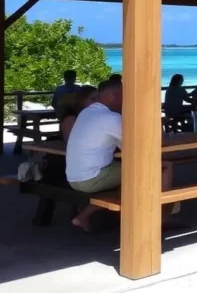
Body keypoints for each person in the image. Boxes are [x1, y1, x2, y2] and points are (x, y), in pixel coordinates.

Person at [66, 79, 175, 232]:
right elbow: (139, 146)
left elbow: (125, 146)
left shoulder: (87, 112)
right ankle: (161, 217)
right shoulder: (111, 118)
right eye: (125, 96)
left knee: (129, 178)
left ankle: (85, 215)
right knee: (164, 166)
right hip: (92, 177)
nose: (127, 100)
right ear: (112, 96)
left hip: (73, 177)